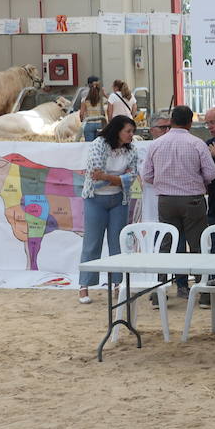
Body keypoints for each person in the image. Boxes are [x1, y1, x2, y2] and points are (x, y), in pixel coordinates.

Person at [140, 105, 215, 298]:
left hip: (166, 200)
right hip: (192, 199)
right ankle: (204, 292)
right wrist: (196, 181)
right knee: (197, 244)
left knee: (168, 244)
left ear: (171, 121)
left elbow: (146, 175)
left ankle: (161, 289)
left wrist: (163, 182)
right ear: (190, 123)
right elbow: (211, 173)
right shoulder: (197, 144)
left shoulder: (156, 144)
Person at [77, 115, 139, 304]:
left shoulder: (131, 149)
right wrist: (121, 178)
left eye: (132, 131)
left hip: (119, 200)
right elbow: (95, 177)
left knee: (118, 243)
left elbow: (132, 177)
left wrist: (108, 177)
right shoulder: (99, 144)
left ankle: (118, 283)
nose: (131, 135)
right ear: (117, 130)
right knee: (92, 243)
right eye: (128, 131)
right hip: (95, 199)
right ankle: (84, 285)